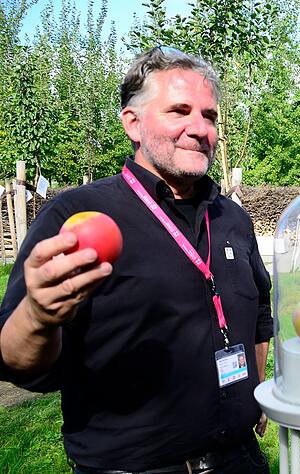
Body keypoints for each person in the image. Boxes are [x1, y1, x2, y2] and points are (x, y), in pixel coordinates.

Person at [0, 47, 273, 473]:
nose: (200, 129)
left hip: (240, 460)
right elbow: (15, 363)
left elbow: (258, 311)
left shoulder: (232, 216)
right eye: (179, 111)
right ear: (133, 123)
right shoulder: (77, 216)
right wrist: (37, 315)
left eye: (210, 116)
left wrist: (253, 393)